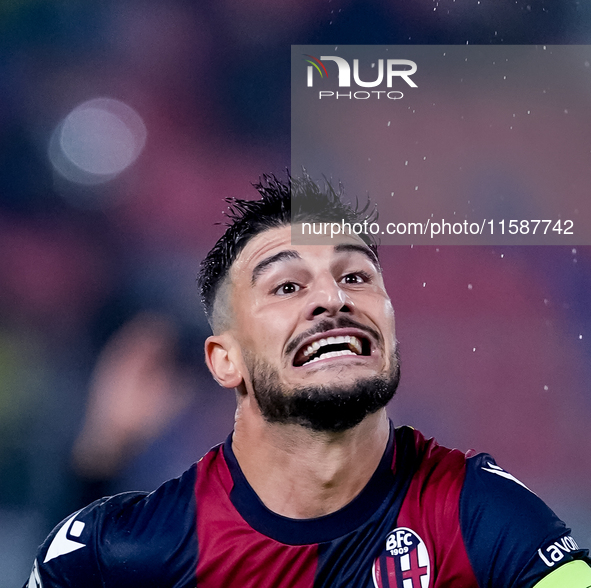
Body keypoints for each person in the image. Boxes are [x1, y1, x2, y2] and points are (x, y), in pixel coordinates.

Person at [25, 175, 590, 588]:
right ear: (226, 360)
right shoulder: (130, 548)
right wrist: (102, 451)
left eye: (356, 276)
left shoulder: (481, 517)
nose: (333, 298)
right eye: (287, 286)